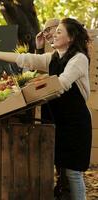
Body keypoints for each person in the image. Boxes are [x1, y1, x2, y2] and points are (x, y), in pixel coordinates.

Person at [0, 18, 92, 200]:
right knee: (61, 172)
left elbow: (61, 84)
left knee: (73, 173)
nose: (53, 35)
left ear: (71, 37)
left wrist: (32, 89)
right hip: (59, 122)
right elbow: (25, 59)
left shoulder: (78, 59)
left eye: (59, 32)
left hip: (75, 124)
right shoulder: (54, 57)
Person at [35, 18, 71, 199]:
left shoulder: (66, 52)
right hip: (51, 108)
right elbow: (38, 75)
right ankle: (60, 186)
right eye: (44, 30)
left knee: (64, 154)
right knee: (55, 151)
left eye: (49, 30)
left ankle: (65, 189)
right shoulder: (51, 52)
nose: (46, 33)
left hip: (65, 109)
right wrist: (39, 48)